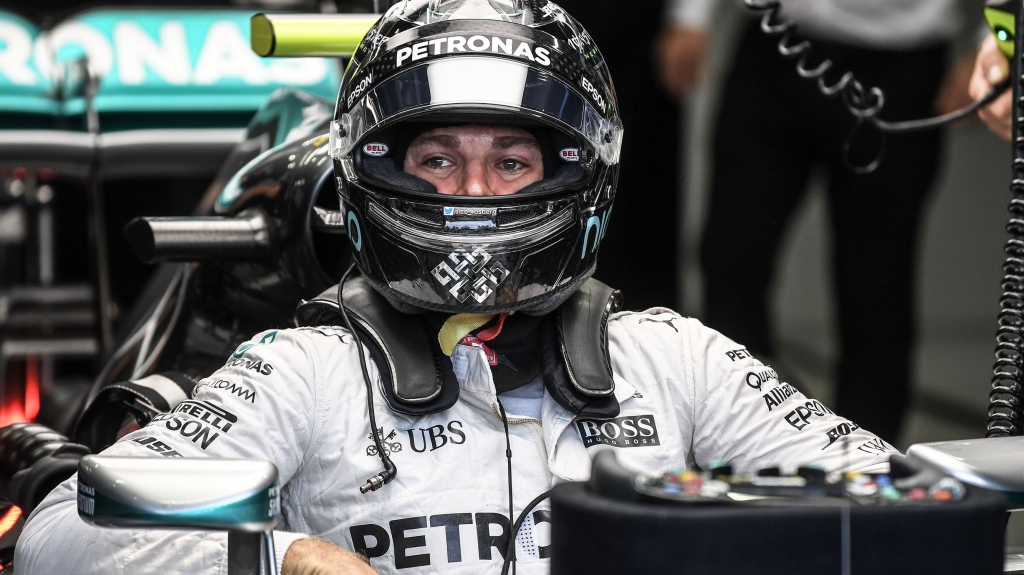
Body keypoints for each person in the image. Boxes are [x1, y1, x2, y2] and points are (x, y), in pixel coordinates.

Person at [15, 2, 895, 574]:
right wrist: (280, 557)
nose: (473, 194)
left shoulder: (672, 359)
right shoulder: (304, 372)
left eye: (510, 162)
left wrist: (728, 533)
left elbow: (893, 502)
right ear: (372, 168)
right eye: (437, 160)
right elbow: (62, 531)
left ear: (578, 172)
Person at [658, 0, 975, 444]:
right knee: (732, 256)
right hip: (777, 53)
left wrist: (997, 45)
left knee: (876, 287)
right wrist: (690, 18)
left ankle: (870, 468)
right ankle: (732, 448)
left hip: (902, 69)